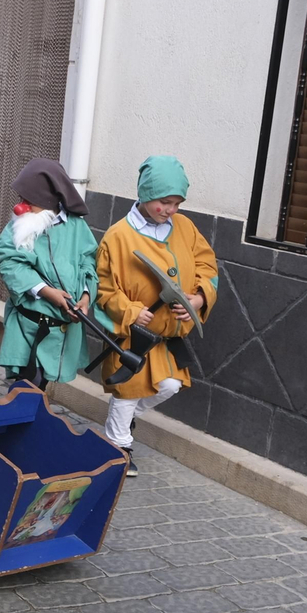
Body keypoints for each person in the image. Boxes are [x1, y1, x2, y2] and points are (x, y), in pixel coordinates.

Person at [95, 156, 218, 477]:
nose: (171, 210)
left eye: (177, 203)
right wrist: (132, 312)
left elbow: (208, 267)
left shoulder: (186, 228)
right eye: (165, 202)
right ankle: (117, 446)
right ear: (147, 195)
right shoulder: (118, 237)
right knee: (129, 389)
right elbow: (104, 289)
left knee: (170, 386)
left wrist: (199, 296)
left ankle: (125, 422)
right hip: (135, 335)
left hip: (170, 334)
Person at [0, 159, 101, 388]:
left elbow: (88, 262)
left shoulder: (76, 227)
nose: (21, 206)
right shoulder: (20, 225)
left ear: (49, 198)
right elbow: (8, 260)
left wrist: (85, 296)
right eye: (21, 198)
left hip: (60, 330)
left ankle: (28, 421)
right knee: (29, 386)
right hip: (28, 326)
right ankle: (18, 422)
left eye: (29, 200)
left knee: (40, 387)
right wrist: (46, 291)